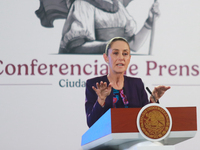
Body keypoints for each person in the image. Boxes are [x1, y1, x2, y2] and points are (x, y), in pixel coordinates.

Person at [85, 37, 170, 127]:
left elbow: (147, 120)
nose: (121, 58)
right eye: (115, 53)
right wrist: (101, 100)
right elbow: (91, 123)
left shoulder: (136, 84)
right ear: (106, 58)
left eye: (125, 54)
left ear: (129, 59)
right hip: (107, 140)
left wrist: (153, 101)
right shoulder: (94, 84)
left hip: (135, 140)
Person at [59, 0, 160, 54]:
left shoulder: (118, 6)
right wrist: (110, 46)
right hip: (93, 69)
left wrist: (149, 22)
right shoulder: (82, 4)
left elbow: (133, 46)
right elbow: (76, 48)